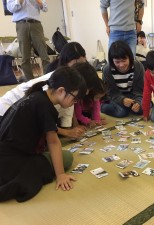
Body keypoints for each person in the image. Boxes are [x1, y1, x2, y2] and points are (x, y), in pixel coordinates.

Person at [0, 67, 87, 202]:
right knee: (67, 157)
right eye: (74, 99)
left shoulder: (35, 96)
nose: (74, 103)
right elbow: (53, 142)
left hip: (6, 153)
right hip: (11, 162)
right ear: (61, 91)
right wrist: (61, 175)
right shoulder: (45, 106)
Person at [0, 59, 98, 139]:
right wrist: (66, 132)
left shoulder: (66, 90)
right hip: (6, 116)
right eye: (87, 89)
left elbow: (66, 115)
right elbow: (43, 123)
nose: (87, 93)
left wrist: (71, 128)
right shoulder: (48, 91)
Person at [7, 0, 50, 81]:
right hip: (21, 24)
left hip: (36, 24)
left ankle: (48, 80)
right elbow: (10, 8)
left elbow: (45, 8)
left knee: (44, 54)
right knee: (25, 56)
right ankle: (30, 83)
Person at [101, 40, 144, 118]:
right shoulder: (107, 70)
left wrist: (138, 102)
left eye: (124, 61)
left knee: (141, 109)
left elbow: (140, 90)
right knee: (122, 112)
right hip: (115, 97)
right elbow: (110, 92)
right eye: (117, 62)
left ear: (130, 58)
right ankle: (103, 106)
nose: (121, 65)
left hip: (133, 96)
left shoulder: (138, 66)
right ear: (112, 60)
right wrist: (122, 100)